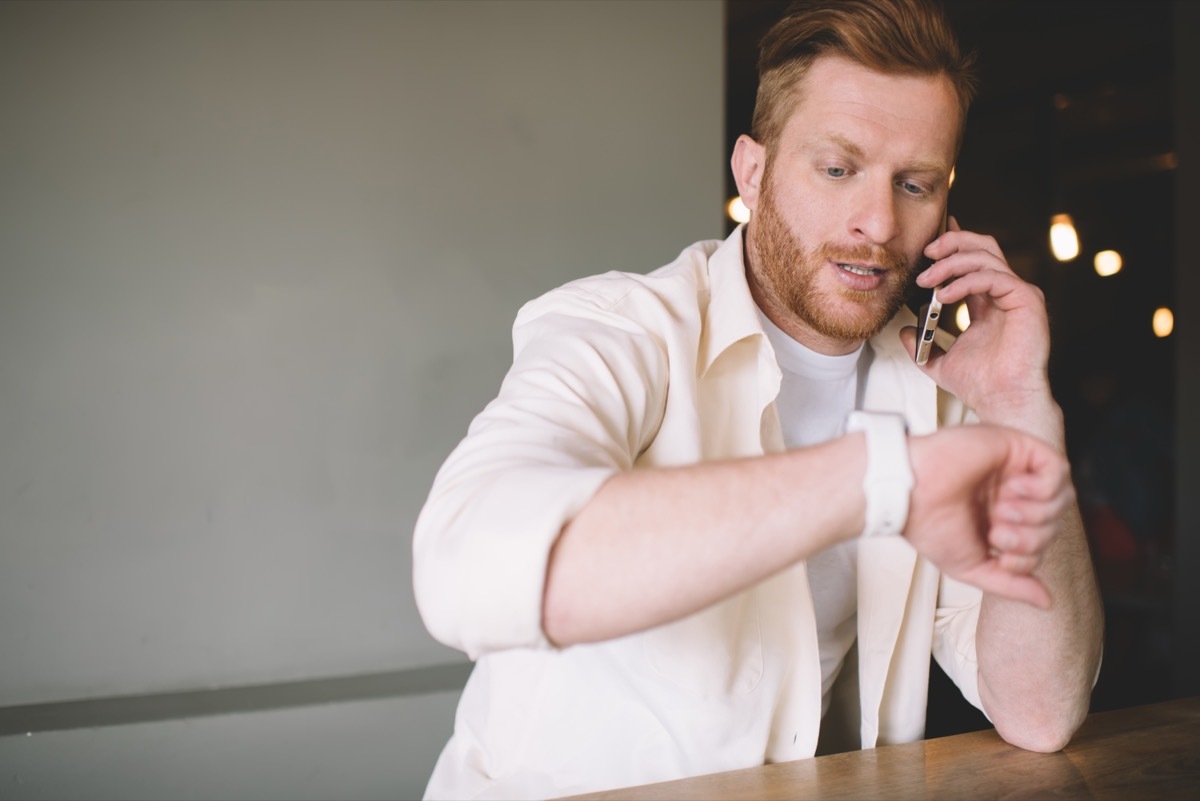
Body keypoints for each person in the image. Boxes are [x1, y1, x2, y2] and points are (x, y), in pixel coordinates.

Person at [412, 0, 1104, 797]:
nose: (878, 222)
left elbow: (1041, 711)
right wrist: (881, 479)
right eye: (838, 169)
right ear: (752, 171)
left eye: (913, 183)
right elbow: (469, 567)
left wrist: (1022, 408)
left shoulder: (940, 384)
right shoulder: (619, 328)